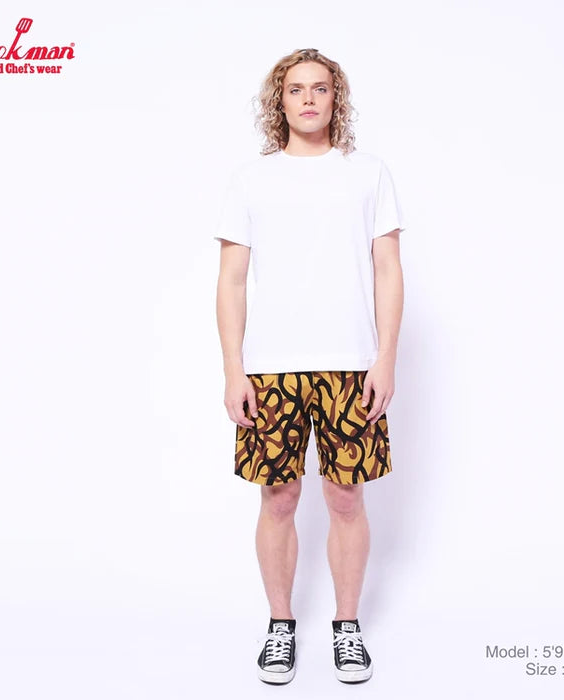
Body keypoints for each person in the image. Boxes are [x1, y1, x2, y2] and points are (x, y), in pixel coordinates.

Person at [213, 48, 405, 685]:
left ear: (334, 98)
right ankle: (280, 625)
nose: (308, 99)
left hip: (351, 365)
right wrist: (234, 370)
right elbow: (231, 282)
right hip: (271, 369)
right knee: (279, 497)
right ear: (280, 100)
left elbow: (388, 271)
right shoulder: (251, 179)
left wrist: (384, 358)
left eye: (320, 88)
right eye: (296, 89)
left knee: (346, 497)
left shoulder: (368, 174)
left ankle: (347, 627)